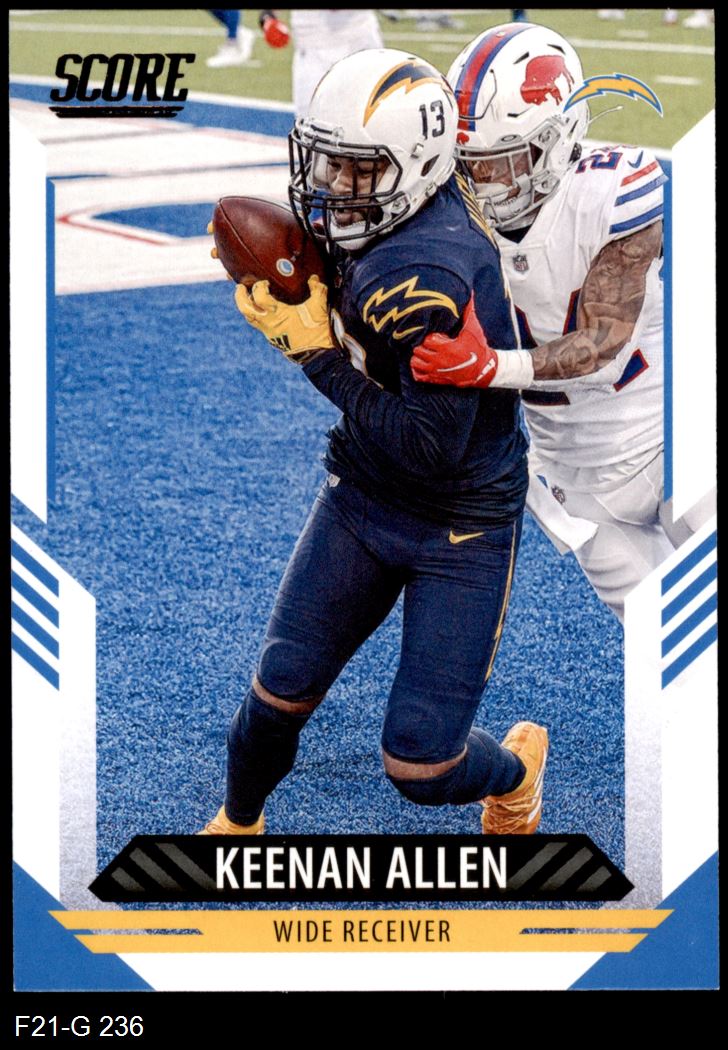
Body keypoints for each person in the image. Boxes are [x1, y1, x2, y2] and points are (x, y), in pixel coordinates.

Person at [201, 48, 547, 836]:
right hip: (364, 489)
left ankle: (517, 773)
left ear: (417, 166)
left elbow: (428, 447)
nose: (331, 186)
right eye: (325, 161)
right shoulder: (399, 209)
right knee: (278, 690)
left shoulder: (430, 271)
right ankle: (238, 822)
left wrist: (315, 354)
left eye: (357, 170)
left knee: (423, 765)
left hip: (458, 517)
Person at [410, 22, 715, 621]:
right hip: (573, 479)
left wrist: (492, 367)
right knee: (667, 638)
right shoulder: (451, 216)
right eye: (467, 164)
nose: (481, 182)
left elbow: (602, 340)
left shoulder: (614, 190)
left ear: (556, 137)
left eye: (501, 162)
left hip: (670, 443)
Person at [260, 9, 384, 118]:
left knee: (374, 120)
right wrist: (267, 18)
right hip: (311, 45)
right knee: (309, 124)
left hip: (359, 39)